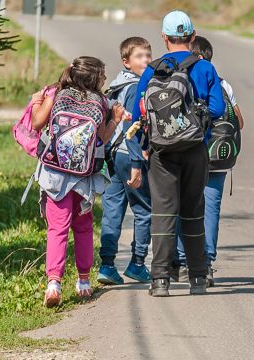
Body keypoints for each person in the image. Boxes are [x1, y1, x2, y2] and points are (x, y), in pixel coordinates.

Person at [131, 10, 225, 296]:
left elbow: (137, 113)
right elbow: (219, 109)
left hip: (161, 152)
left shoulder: (153, 68)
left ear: (164, 37)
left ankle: (160, 280)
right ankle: (198, 277)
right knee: (193, 210)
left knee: (164, 211)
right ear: (193, 36)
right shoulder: (205, 68)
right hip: (196, 149)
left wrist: (144, 150)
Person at [30, 56, 126, 307]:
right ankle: (83, 282)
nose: (105, 79)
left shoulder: (57, 94)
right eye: (103, 76)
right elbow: (102, 139)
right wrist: (114, 119)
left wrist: (36, 102)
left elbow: (36, 123)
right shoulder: (102, 102)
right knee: (83, 227)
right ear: (94, 78)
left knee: (57, 228)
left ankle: (53, 283)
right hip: (84, 178)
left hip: (54, 174)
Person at [172, 35, 245, 287]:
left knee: (185, 206)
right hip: (220, 156)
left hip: (191, 152)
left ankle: (182, 262)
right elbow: (239, 122)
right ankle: (207, 263)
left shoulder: (183, 81)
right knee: (211, 208)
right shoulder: (225, 85)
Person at [97, 37, 153, 285]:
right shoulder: (135, 87)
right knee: (143, 210)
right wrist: (136, 164)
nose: (147, 60)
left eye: (148, 55)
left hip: (111, 157)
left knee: (112, 210)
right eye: (140, 56)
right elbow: (132, 127)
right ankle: (137, 263)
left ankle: (107, 265)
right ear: (126, 61)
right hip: (129, 156)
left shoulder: (116, 86)